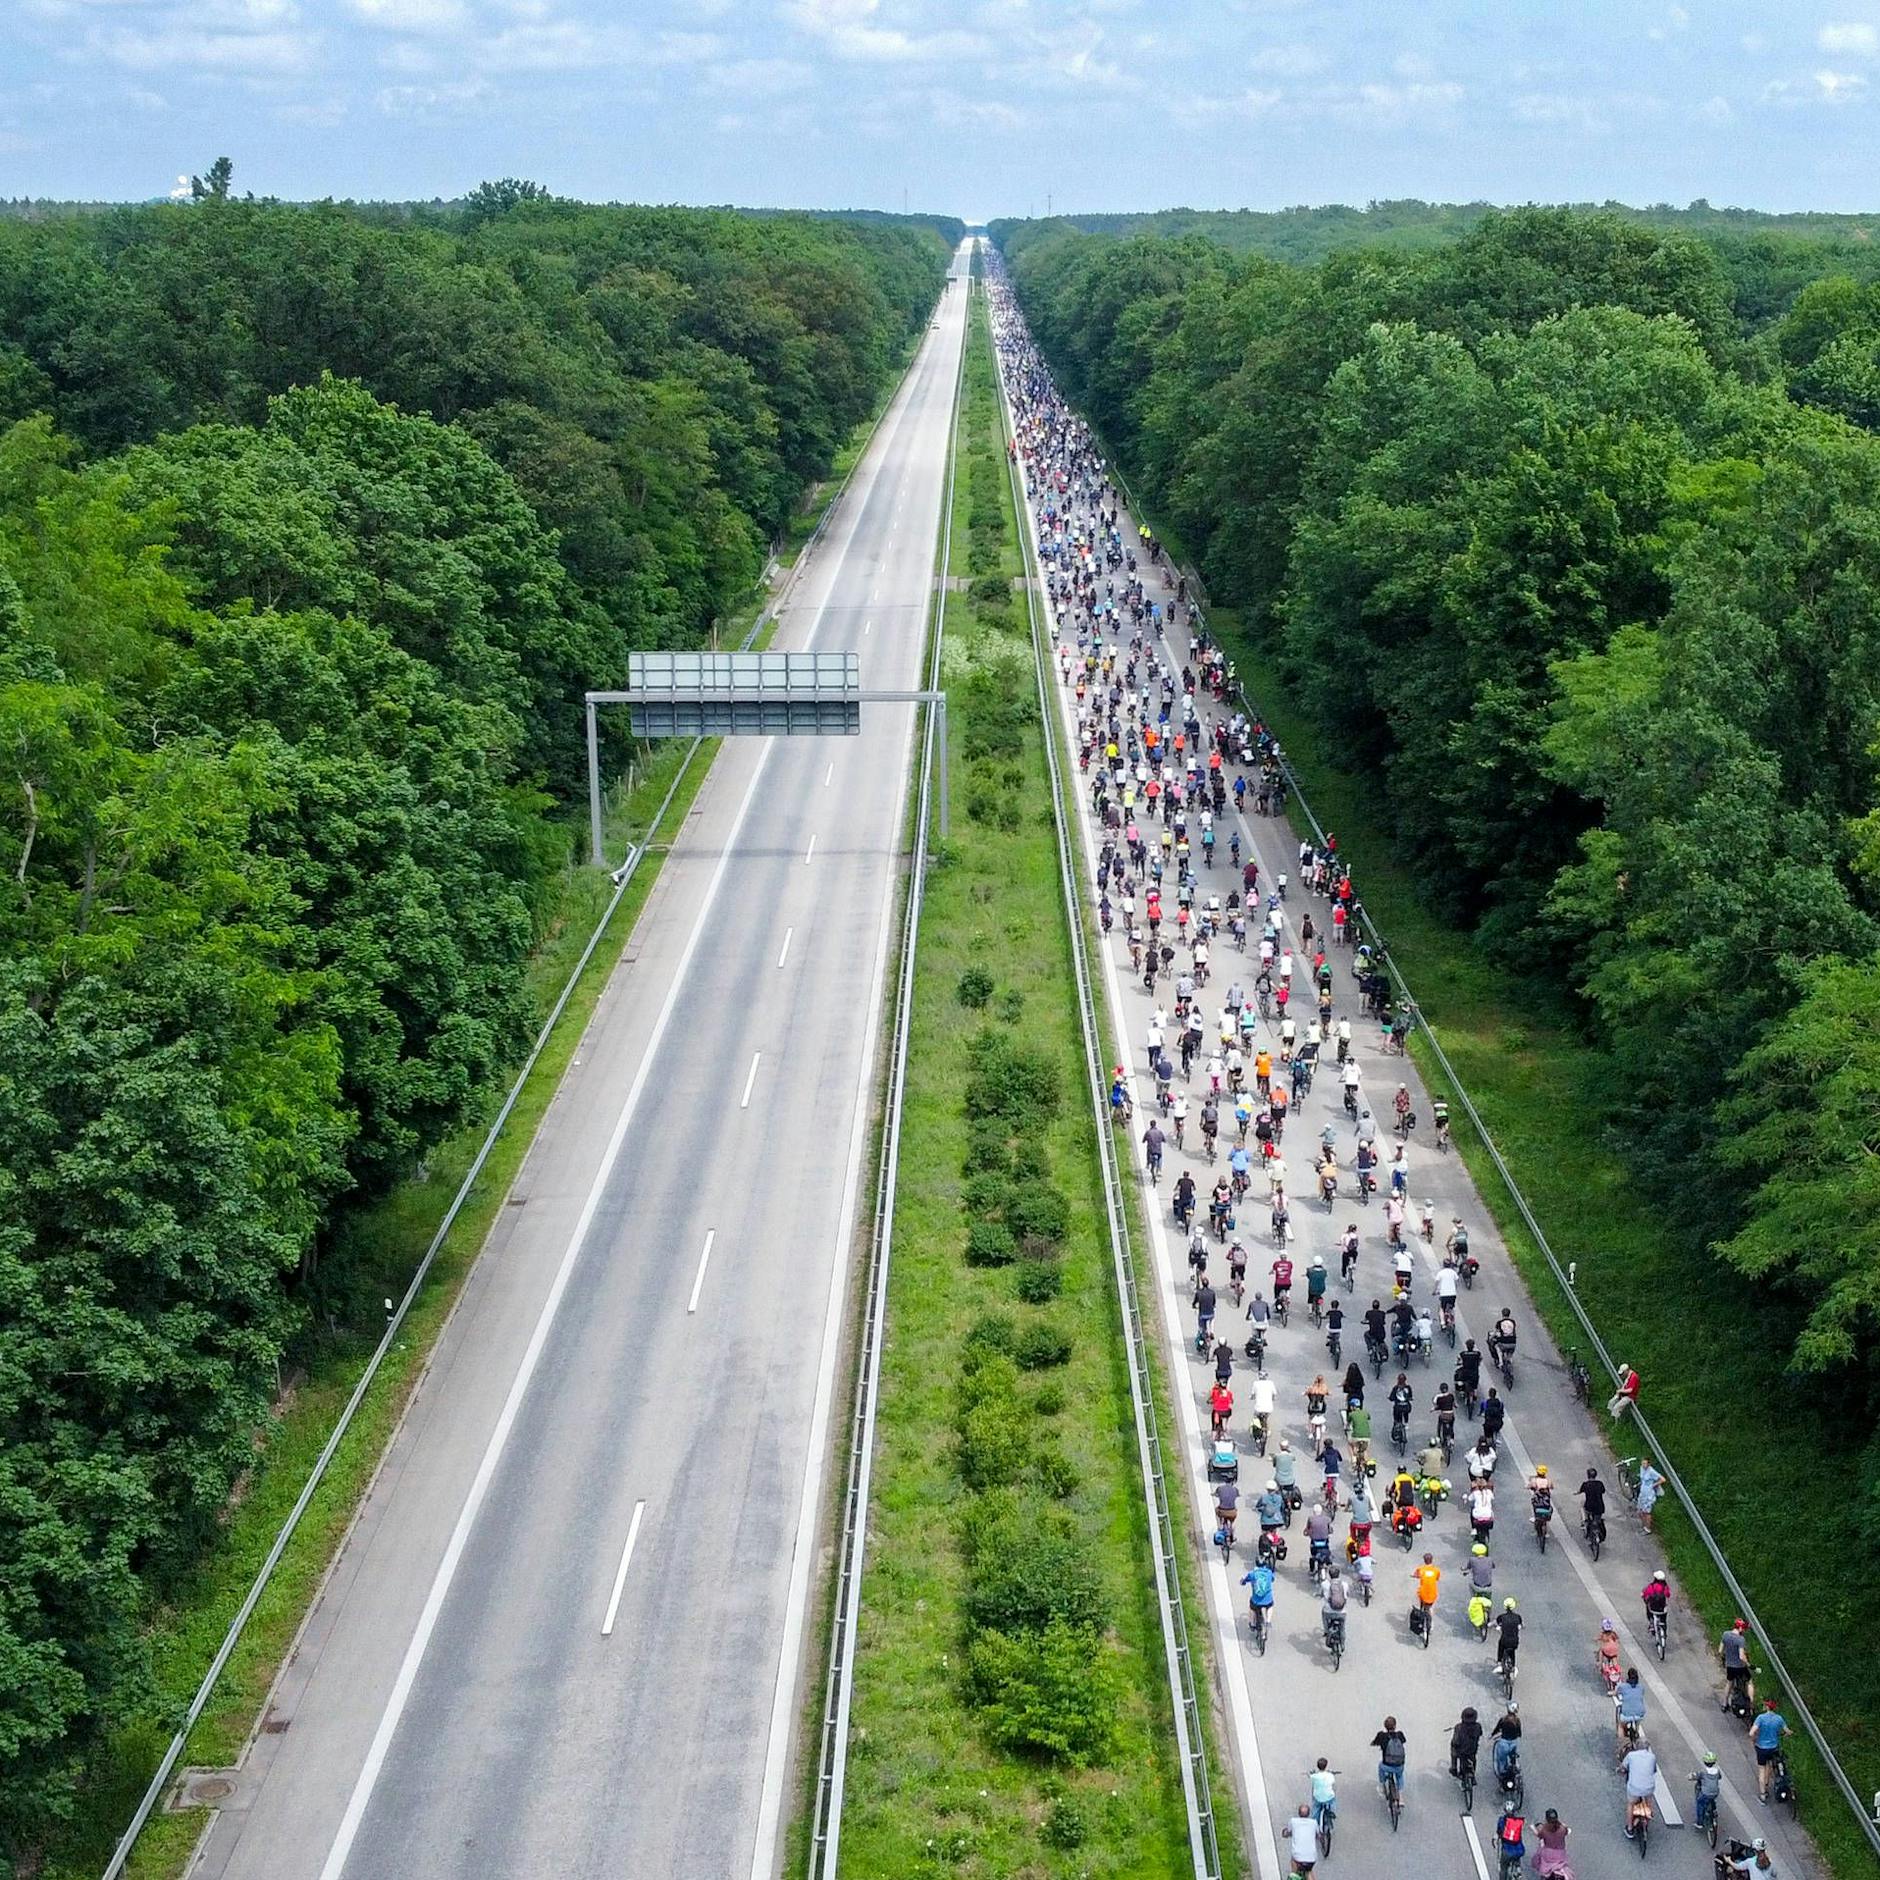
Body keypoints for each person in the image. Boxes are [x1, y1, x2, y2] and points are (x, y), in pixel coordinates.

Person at [1749, 1699, 1792, 1802]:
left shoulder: (1760, 1718)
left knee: (1762, 1769)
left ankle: (1763, 1794)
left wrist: (1754, 1740)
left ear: (1767, 1707)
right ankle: (1767, 1783)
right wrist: (1784, 1734)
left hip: (1761, 1748)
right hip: (1773, 1748)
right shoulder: (1779, 1719)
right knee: (1770, 1766)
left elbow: (1751, 1733)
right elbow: (1787, 1731)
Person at [1621, 1738, 1659, 1838]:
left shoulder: (1631, 1756)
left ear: (1636, 1747)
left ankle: (1629, 1829)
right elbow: (1654, 1770)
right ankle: (1647, 1820)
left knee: (1631, 1804)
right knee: (1648, 1801)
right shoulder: (1652, 1757)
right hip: (1648, 1788)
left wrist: (1620, 1770)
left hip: (1634, 1788)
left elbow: (1623, 1767)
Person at [1720, 1618, 1755, 1710]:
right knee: (1749, 1681)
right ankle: (1751, 1703)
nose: (1744, 1630)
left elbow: (1720, 1650)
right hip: (1740, 1666)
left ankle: (1724, 1703)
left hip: (1730, 1666)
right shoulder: (1740, 1639)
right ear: (1739, 1628)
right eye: (1743, 1629)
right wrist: (1748, 1664)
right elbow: (1741, 1656)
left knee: (1729, 1683)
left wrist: (1725, 1658)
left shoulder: (1725, 1634)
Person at [1615, 1666, 1647, 1761]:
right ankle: (1636, 1731)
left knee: (1621, 1725)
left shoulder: (1623, 1686)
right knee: (1637, 1719)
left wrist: (1612, 1693)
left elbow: (1616, 1692)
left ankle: (1621, 1747)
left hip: (1626, 1713)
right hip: (1639, 1713)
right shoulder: (1641, 1687)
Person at [1372, 1716, 1408, 1799]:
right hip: (1399, 1766)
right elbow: (1404, 1740)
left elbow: (1375, 1742)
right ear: (1395, 1726)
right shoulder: (1400, 1735)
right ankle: (1401, 1796)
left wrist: (1375, 1744)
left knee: (1380, 1766)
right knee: (1399, 1776)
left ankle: (1382, 1786)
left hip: (1387, 1766)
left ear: (1385, 1726)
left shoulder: (1381, 1735)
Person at [1532, 1808, 1572, 1879]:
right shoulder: (1562, 1829)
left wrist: (1532, 1827)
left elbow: (1539, 1835)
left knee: (1538, 1859)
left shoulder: (1544, 1830)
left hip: (1548, 1854)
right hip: (1560, 1854)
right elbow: (1567, 1831)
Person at [1692, 1750, 1723, 1839]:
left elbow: (1696, 1776)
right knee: (1712, 1799)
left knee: (1700, 1803)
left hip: (1705, 1793)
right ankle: (1714, 1809)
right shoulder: (1717, 1771)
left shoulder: (1703, 1772)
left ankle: (1699, 1823)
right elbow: (1720, 1777)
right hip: (1716, 1792)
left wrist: (1691, 1776)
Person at [1284, 1801, 1320, 1876]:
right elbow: (1318, 1835)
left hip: (1297, 1857)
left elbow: (1287, 1832)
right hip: (1311, 1857)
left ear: (1298, 1813)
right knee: (1309, 1871)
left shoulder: (1293, 1821)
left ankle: (1294, 1875)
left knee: (1294, 1867)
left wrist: (1287, 1834)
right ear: (1309, 1814)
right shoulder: (1314, 1823)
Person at [1490, 1703, 1522, 1783]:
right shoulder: (1517, 1720)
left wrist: (1492, 1735)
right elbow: (1519, 1733)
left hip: (1504, 1742)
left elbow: (1497, 1729)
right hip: (1513, 1742)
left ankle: (1503, 1775)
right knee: (1513, 1756)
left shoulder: (1503, 1719)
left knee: (1502, 1760)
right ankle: (1514, 1766)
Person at [1450, 1705, 1483, 1780]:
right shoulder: (1478, 1726)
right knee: (1473, 1758)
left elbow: (1455, 1741)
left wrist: (1455, 1745)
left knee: (1453, 1750)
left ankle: (1454, 1768)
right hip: (1472, 1750)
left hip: (1461, 1751)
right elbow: (1480, 1734)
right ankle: (1472, 1774)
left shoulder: (1458, 1727)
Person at [1412, 1552, 1440, 1633]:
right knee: (1430, 1607)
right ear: (1432, 1560)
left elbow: (1416, 1575)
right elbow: (1437, 1578)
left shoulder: (1421, 1569)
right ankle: (1431, 1622)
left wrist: (1415, 1576)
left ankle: (1421, 1613)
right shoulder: (1436, 1570)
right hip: (1432, 1594)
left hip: (1423, 1593)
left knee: (1421, 1599)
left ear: (1424, 1561)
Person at [1495, 1598, 1523, 1679]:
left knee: (1501, 1644)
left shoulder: (1502, 1617)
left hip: (1505, 1641)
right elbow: (1521, 1625)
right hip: (1515, 1642)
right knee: (1512, 1651)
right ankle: (1513, 1667)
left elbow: (1497, 1622)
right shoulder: (1518, 1617)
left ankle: (1499, 1663)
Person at [1636, 1456, 1665, 1532]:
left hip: (1649, 1495)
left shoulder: (1651, 1471)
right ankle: (1644, 1525)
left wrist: (1653, 1485)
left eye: (1645, 1463)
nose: (1643, 1465)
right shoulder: (1641, 1468)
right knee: (1640, 1510)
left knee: (1647, 1512)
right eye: (1642, 1463)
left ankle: (1648, 1528)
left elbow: (1663, 1479)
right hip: (1643, 1493)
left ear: (1648, 1464)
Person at [1579, 1466, 1608, 1544]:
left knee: (1582, 1505)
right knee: (1597, 1519)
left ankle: (1585, 1521)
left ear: (1588, 1475)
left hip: (1589, 1506)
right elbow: (1603, 1491)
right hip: (1600, 1507)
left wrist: (1577, 1492)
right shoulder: (1600, 1484)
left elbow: (1580, 1491)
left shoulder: (1585, 1484)